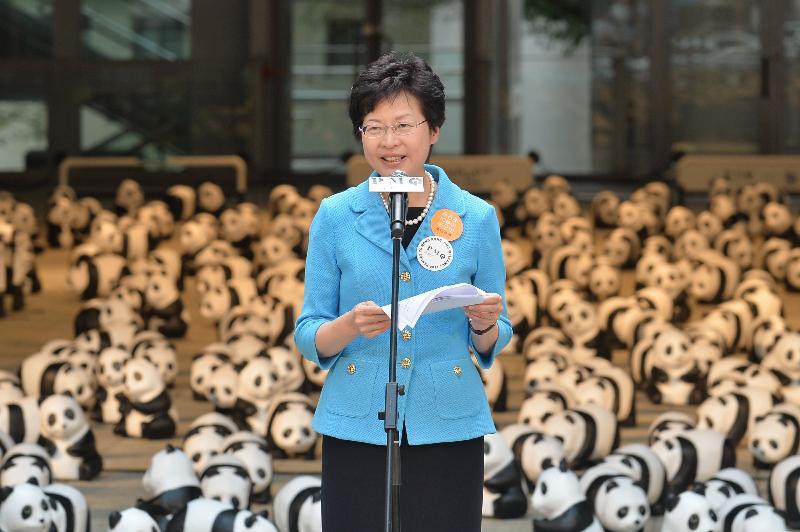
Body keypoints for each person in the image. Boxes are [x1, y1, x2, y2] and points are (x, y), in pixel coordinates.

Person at [294, 51, 512, 532]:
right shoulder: (335, 215)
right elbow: (308, 333)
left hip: (448, 412)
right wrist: (349, 325)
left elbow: (498, 331)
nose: (389, 142)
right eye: (374, 127)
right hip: (356, 412)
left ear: (433, 130)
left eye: (404, 125)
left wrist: (484, 324)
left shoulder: (475, 217)